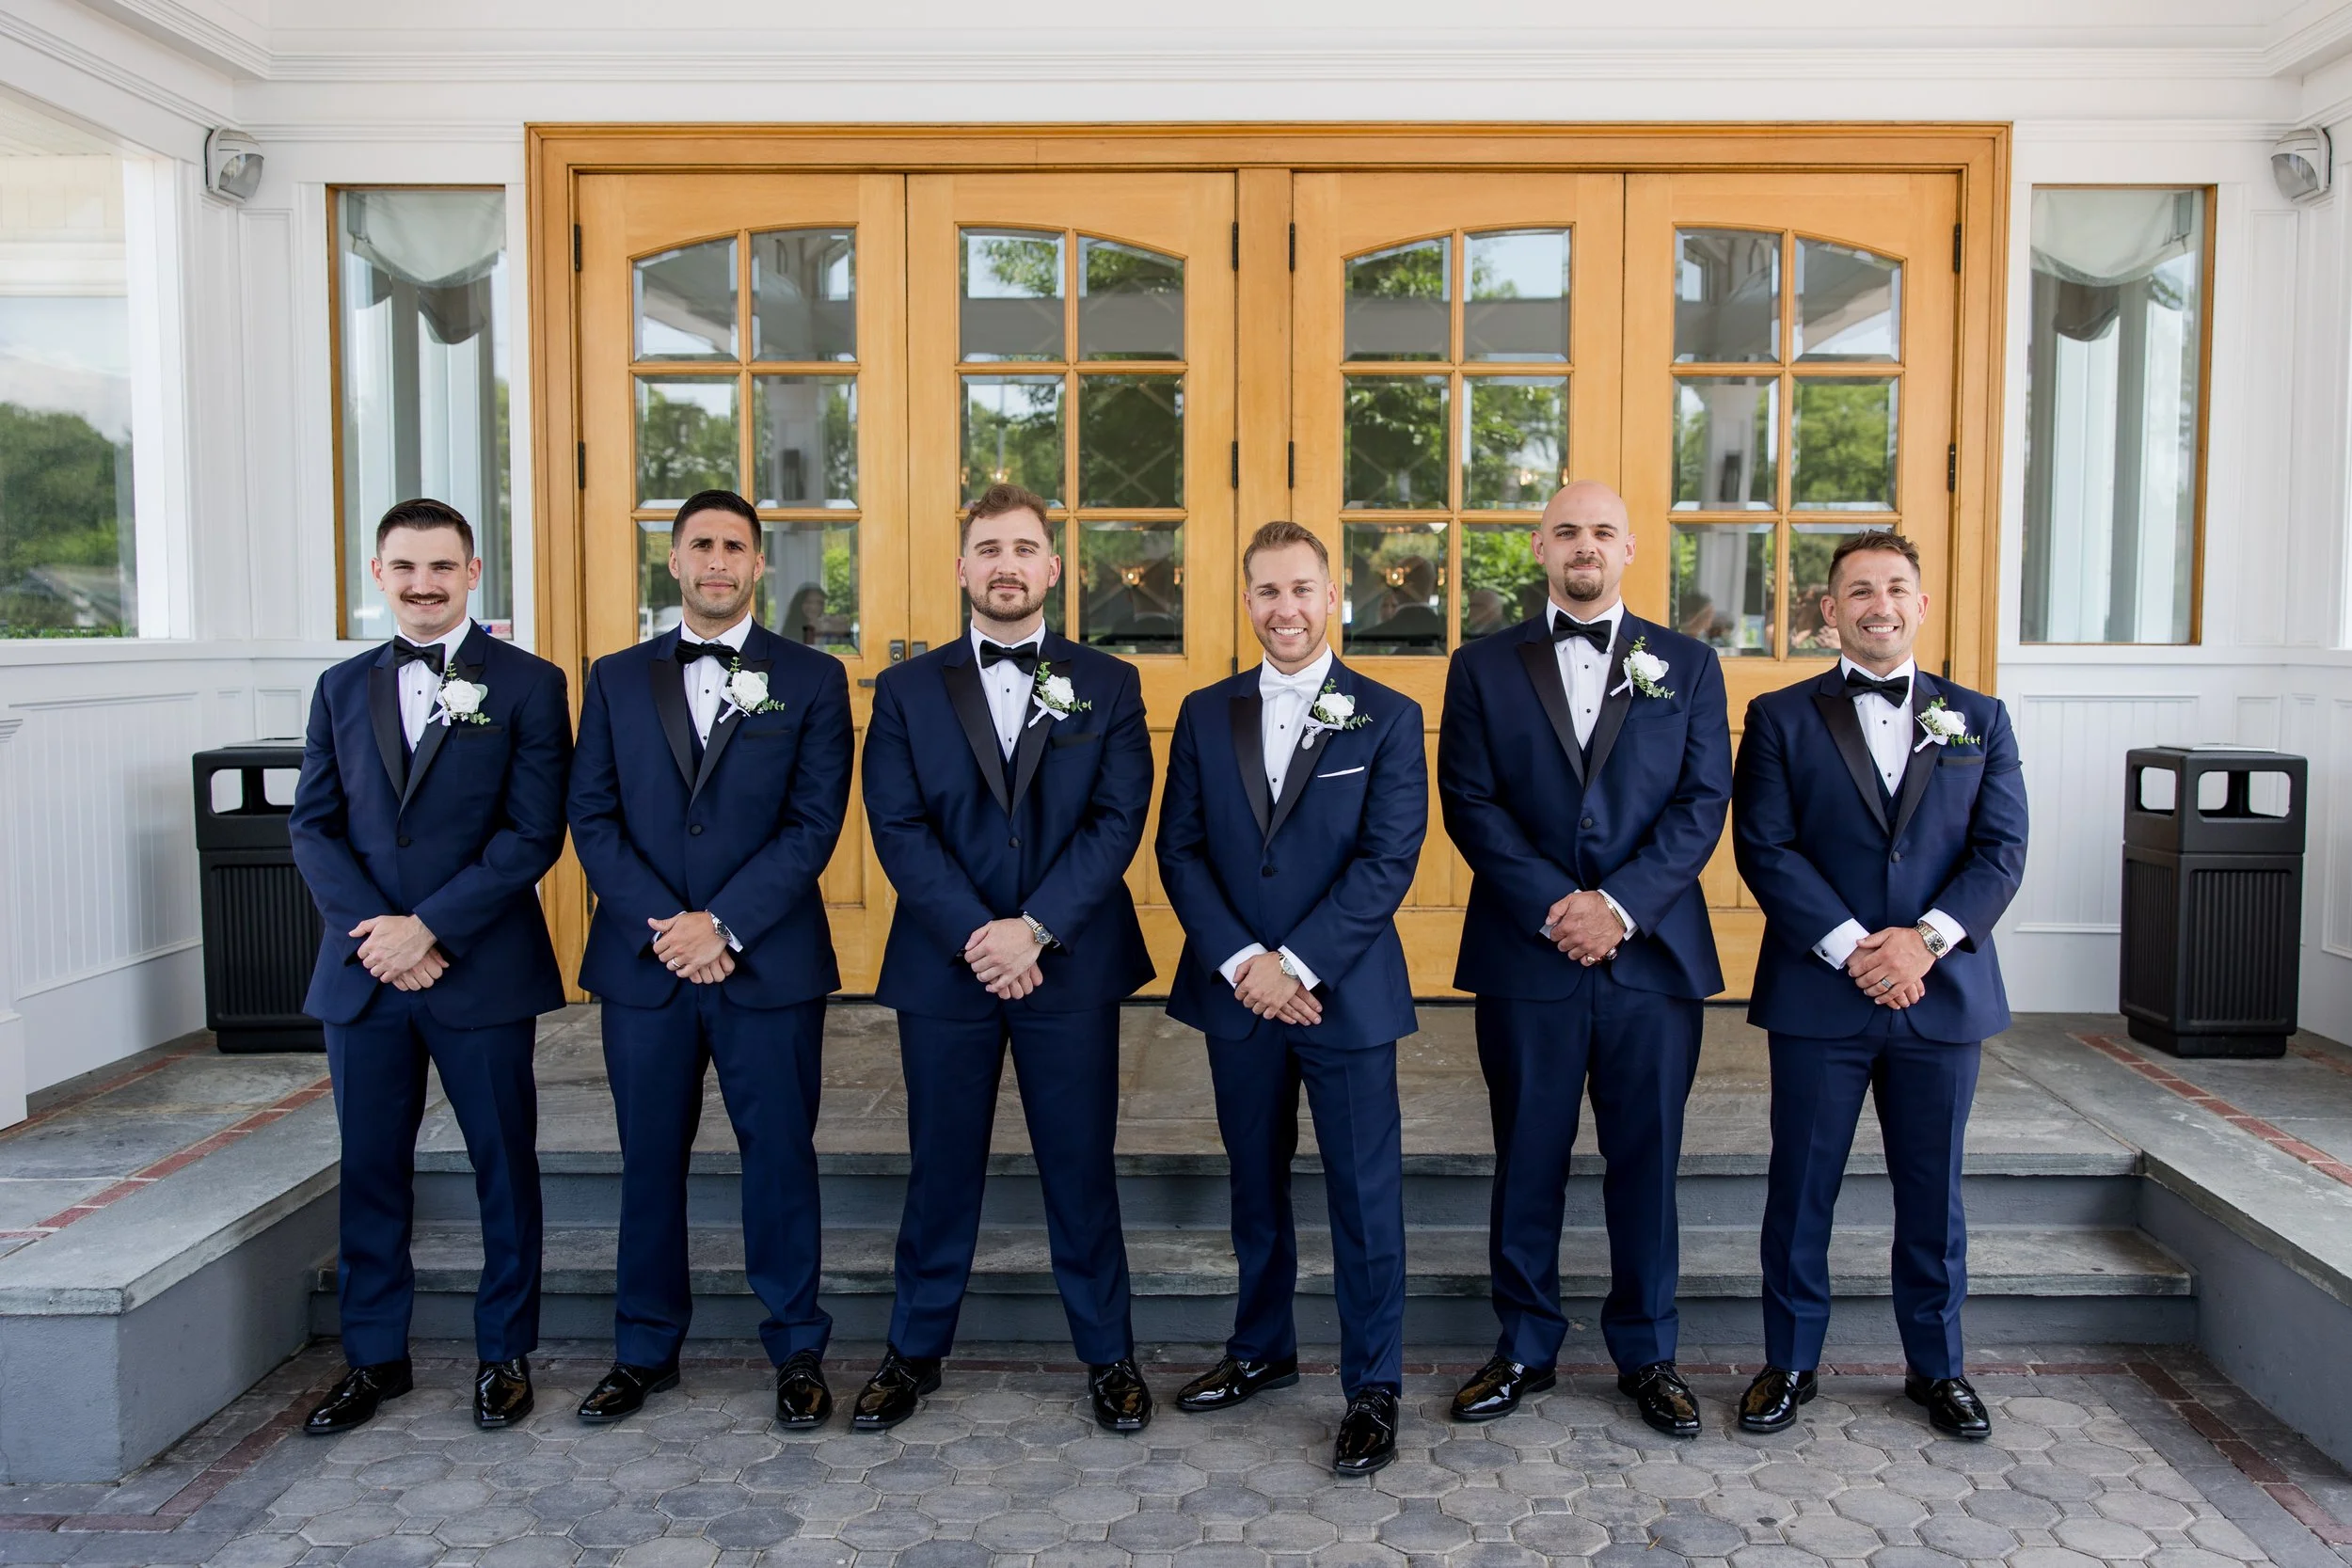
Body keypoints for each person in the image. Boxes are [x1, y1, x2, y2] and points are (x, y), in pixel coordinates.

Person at [852, 483, 1157, 1433]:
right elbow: (896, 826)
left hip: (1070, 962)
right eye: (988, 549)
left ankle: (1109, 1355)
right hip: (948, 965)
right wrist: (980, 934)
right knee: (940, 1167)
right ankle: (913, 1351)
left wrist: (1038, 927)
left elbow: (1117, 819)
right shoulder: (905, 689)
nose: (1007, 565)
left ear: (1052, 568)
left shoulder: (1108, 683)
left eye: (1025, 548)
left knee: (1080, 1167)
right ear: (962, 567)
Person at [1436, 479, 1732, 1437]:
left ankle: (1647, 1352)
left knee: (1646, 1160)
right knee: (1528, 1155)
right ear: (1538, 548)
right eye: (1566, 530)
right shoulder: (1480, 665)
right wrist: (1554, 905)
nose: (1583, 546)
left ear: (1630, 548)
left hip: (1650, 961)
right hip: (1529, 956)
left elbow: (1700, 801)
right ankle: (1523, 1342)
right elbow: (1470, 800)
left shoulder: (1686, 662)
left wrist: (1617, 905)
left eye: (1602, 530)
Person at [566, 488, 854, 1430]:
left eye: (736, 546)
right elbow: (593, 816)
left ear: (759, 563)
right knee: (649, 1158)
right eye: (701, 545)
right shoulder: (612, 677)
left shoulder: (812, 679)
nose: (718, 560)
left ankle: (798, 1345)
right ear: (674, 559)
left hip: (766, 962)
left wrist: (723, 922)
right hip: (644, 965)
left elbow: (814, 823)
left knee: (780, 1154)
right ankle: (643, 1348)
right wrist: (667, 922)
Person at [1730, 529, 2026, 1440]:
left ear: (1921, 602)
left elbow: (2000, 849)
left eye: (1895, 586)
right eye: (1858, 589)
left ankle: (1936, 1367)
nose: (1878, 604)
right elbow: (1764, 846)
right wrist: (1857, 946)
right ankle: (1789, 1360)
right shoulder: (1780, 716)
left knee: (1931, 1192)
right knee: (1801, 1184)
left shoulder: (1979, 715)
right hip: (1822, 993)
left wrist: (1923, 943)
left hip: (1939, 995)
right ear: (1830, 609)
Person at [289, 498, 571, 1434]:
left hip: (481, 967)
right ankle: (374, 1357)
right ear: (378, 573)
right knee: (372, 1167)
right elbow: (314, 824)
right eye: (404, 567)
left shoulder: (530, 685)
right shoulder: (338, 687)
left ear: (472, 572)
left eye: (440, 567)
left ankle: (504, 1351)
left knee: (503, 1162)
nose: (422, 583)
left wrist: (432, 928)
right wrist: (380, 930)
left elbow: (533, 831)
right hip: (364, 970)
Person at [1156, 520, 1426, 1477]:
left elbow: (1388, 858)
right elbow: (1178, 849)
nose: (1285, 608)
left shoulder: (1387, 715)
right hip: (1238, 996)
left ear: (1333, 594)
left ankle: (1373, 1383)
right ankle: (1262, 1347)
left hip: (1342, 995)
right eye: (1267, 590)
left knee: (1364, 1194)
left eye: (1302, 588)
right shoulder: (1202, 712)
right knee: (1254, 1183)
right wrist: (1240, 962)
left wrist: (1297, 964)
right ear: (1247, 601)